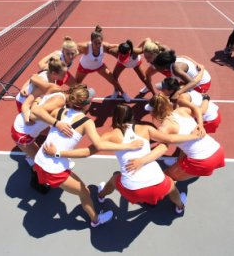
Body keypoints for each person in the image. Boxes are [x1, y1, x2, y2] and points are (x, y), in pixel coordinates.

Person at [43, 104, 204, 213]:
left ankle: (100, 196)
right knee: (172, 187)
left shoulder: (109, 136)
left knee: (114, 179)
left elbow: (86, 152)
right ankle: (180, 207)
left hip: (131, 189)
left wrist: (58, 153)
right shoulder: (146, 129)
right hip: (158, 185)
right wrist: (191, 136)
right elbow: (169, 141)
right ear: (132, 116)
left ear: (115, 118)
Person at [32, 85, 144, 228]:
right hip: (53, 168)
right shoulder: (87, 122)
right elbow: (98, 146)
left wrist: (53, 119)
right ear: (88, 104)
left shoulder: (58, 112)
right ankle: (96, 220)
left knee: (55, 173)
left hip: (39, 160)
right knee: (85, 192)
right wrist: (129, 146)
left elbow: (35, 111)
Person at [145, 94, 225, 181]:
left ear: (153, 112)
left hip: (202, 160)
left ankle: (178, 194)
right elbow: (199, 110)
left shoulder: (164, 129)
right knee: (183, 153)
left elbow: (168, 141)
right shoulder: (182, 110)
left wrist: (141, 160)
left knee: (166, 179)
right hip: (217, 150)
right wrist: (200, 124)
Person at [76, 25, 132, 102]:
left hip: (99, 66)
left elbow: (117, 46)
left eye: (99, 43)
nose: (98, 45)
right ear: (91, 41)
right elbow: (72, 47)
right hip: (84, 67)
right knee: (76, 84)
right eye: (95, 43)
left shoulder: (104, 46)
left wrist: (128, 48)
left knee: (113, 80)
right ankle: (72, 99)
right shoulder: (86, 47)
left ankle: (123, 93)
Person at [156, 77, 221, 134]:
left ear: (171, 90)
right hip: (212, 111)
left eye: (163, 89)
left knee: (192, 139)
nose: (161, 90)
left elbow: (201, 111)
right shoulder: (182, 87)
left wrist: (206, 99)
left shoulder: (181, 99)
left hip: (210, 119)